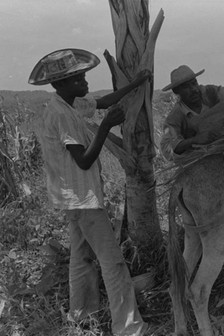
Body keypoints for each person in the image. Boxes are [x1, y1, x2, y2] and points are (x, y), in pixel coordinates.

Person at [28, 48, 151, 336]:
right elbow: (83, 161)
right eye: (79, 79)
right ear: (61, 84)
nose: (85, 82)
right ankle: (129, 328)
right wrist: (106, 126)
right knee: (113, 263)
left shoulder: (69, 104)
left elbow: (103, 100)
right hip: (82, 199)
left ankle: (82, 315)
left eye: (84, 77)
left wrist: (137, 82)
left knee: (81, 257)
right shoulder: (62, 115)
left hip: (73, 198)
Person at [159, 65, 224, 161]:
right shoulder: (175, 116)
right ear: (176, 91)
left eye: (194, 83)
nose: (194, 89)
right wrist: (196, 140)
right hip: (203, 158)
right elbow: (166, 147)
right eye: (186, 87)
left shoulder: (209, 92)